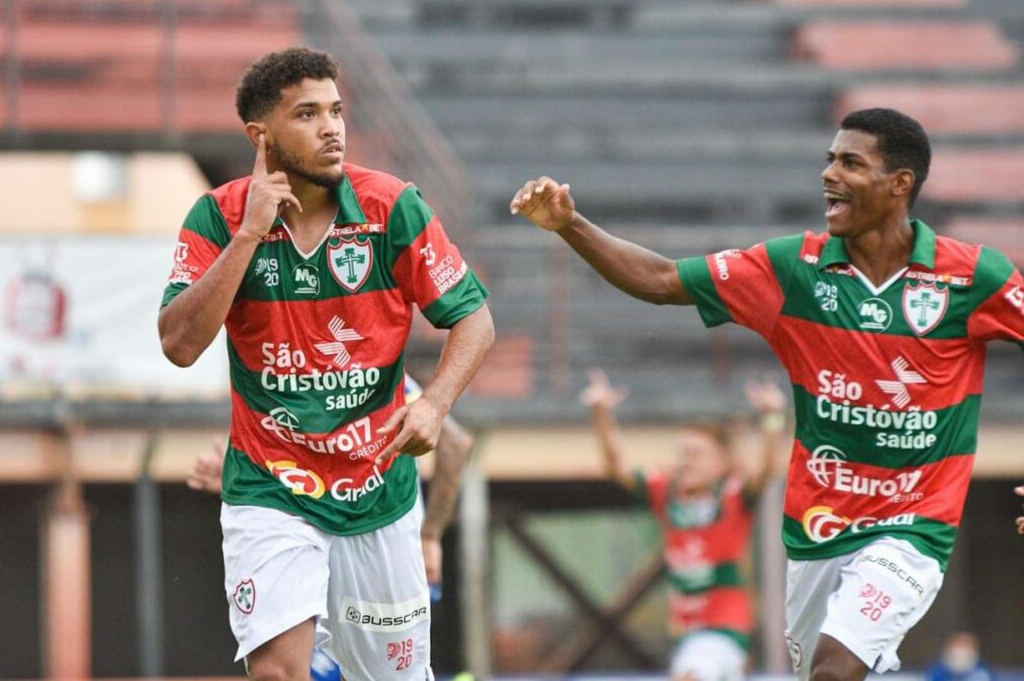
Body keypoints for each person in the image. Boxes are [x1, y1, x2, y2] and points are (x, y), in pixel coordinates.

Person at [510, 108, 1024, 681]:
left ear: (899, 184)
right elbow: (659, 280)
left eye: (851, 162)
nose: (830, 174)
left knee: (836, 669)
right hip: (817, 527)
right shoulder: (790, 268)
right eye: (830, 160)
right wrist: (570, 224)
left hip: (914, 525)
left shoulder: (972, 276)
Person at [159, 47, 494, 681]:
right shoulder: (216, 217)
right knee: (280, 672)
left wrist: (434, 401)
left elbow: (473, 319)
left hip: (380, 496)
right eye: (308, 114)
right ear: (262, 136)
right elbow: (178, 344)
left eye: (336, 111)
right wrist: (247, 236)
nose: (331, 127)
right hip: (270, 490)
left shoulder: (393, 206)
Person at [188, 374, 476, 680]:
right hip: (375, 555)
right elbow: (456, 444)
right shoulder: (354, 369)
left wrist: (429, 535)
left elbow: (456, 443)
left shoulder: (376, 373)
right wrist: (431, 536)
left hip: (373, 550)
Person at [580, 369, 787, 681]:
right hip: (686, 634)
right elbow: (616, 466)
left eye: (696, 454)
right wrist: (601, 414)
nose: (686, 461)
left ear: (721, 461)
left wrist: (772, 419)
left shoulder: (732, 496)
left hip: (723, 632)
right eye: (682, 454)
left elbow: (768, 469)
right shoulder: (667, 494)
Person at [925, 632, 993, 681]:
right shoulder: (935, 673)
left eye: (966, 656)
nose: (961, 660)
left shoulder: (984, 673)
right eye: (956, 656)